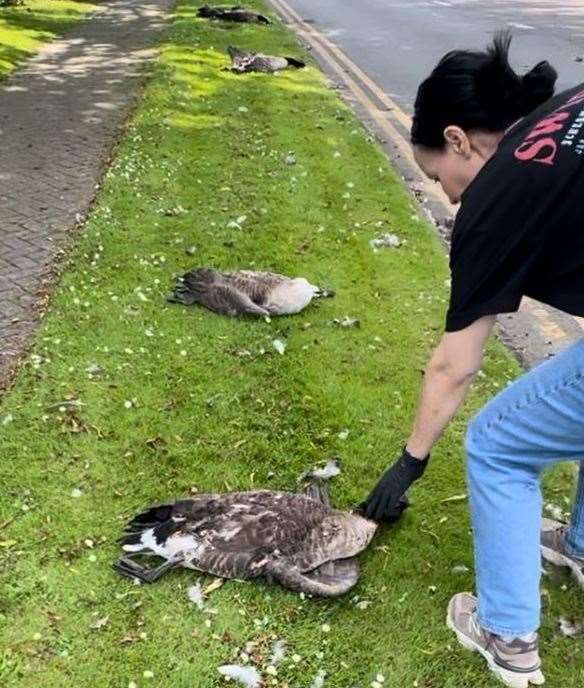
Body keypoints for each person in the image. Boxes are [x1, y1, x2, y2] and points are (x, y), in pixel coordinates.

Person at [362, 32, 584, 688]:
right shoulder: (565, 110)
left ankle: (507, 633)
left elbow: (454, 365)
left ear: (458, 139)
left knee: (496, 443)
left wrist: (410, 462)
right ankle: (577, 549)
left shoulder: (494, 200)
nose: (449, 196)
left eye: (437, 177)